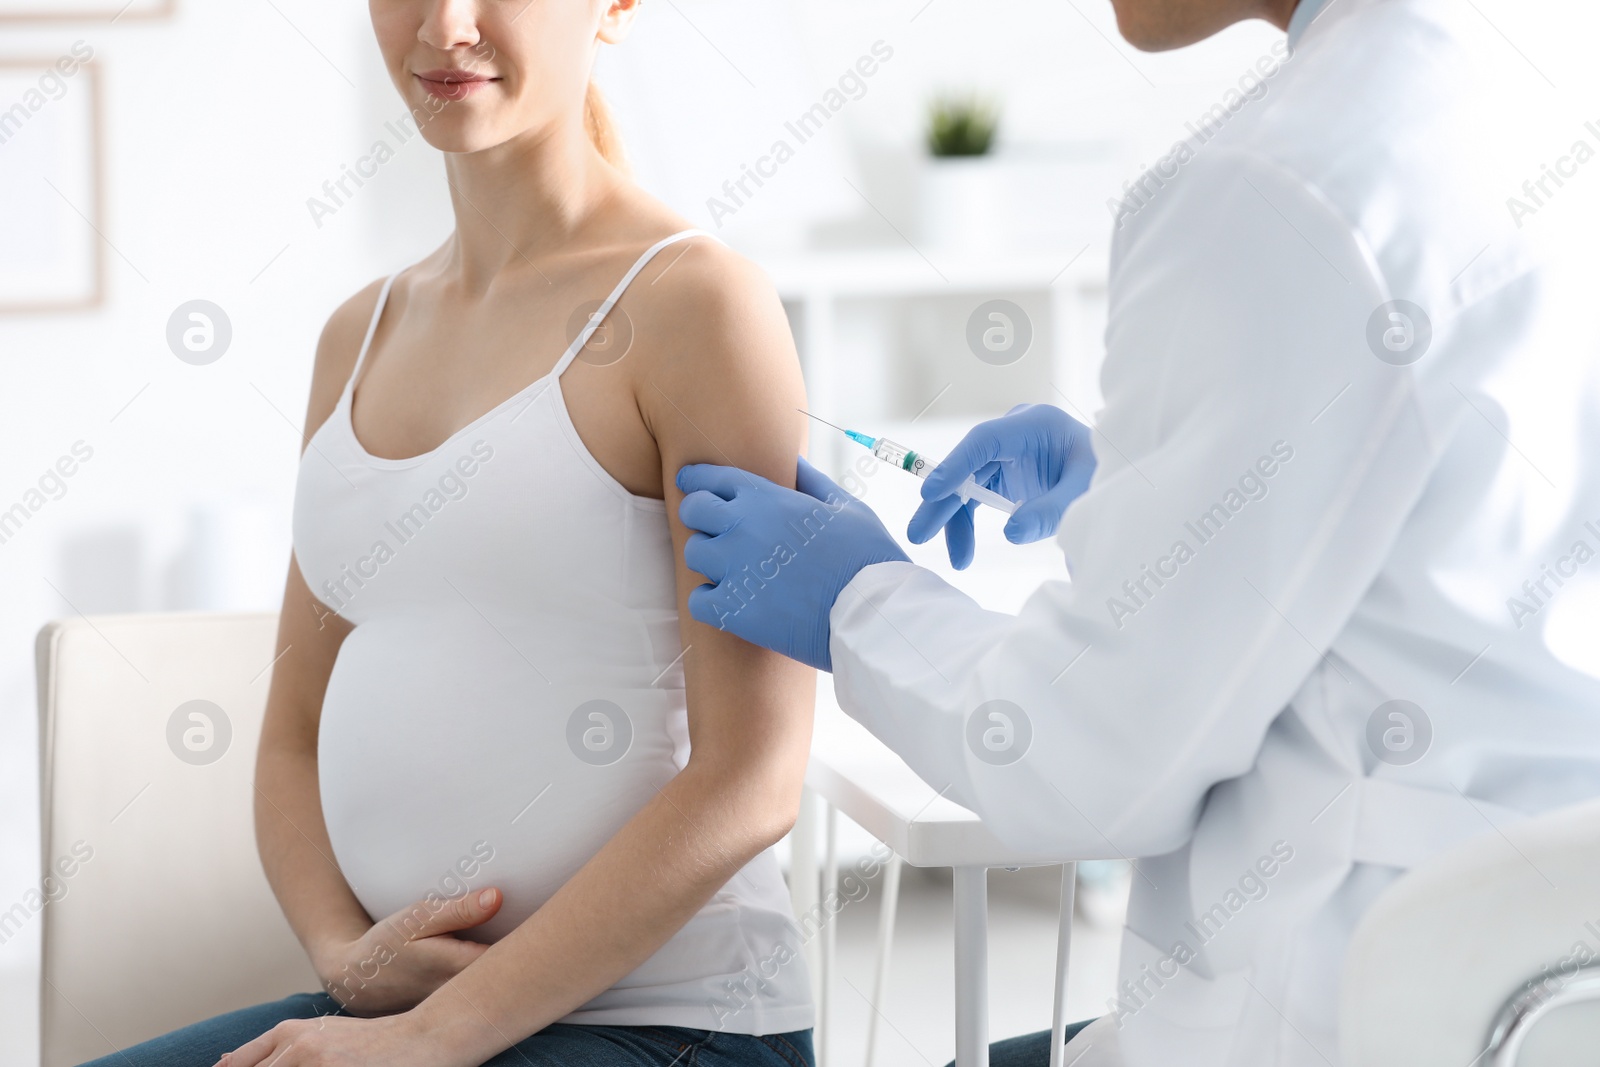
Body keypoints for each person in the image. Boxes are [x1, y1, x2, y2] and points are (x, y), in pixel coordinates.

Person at [676, 0, 1600, 1064]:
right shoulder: (1538, 75)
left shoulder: (1279, 183)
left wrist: (857, 600)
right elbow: (1457, 521)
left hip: (1369, 1004)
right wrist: (1141, 486)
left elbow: (1079, 762)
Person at [83, 2, 820, 1066]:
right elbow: (292, 727)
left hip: (673, 1025)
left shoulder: (698, 304)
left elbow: (753, 776)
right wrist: (346, 956)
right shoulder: (359, 332)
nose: (445, 26)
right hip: (399, 1017)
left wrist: (440, 1033)